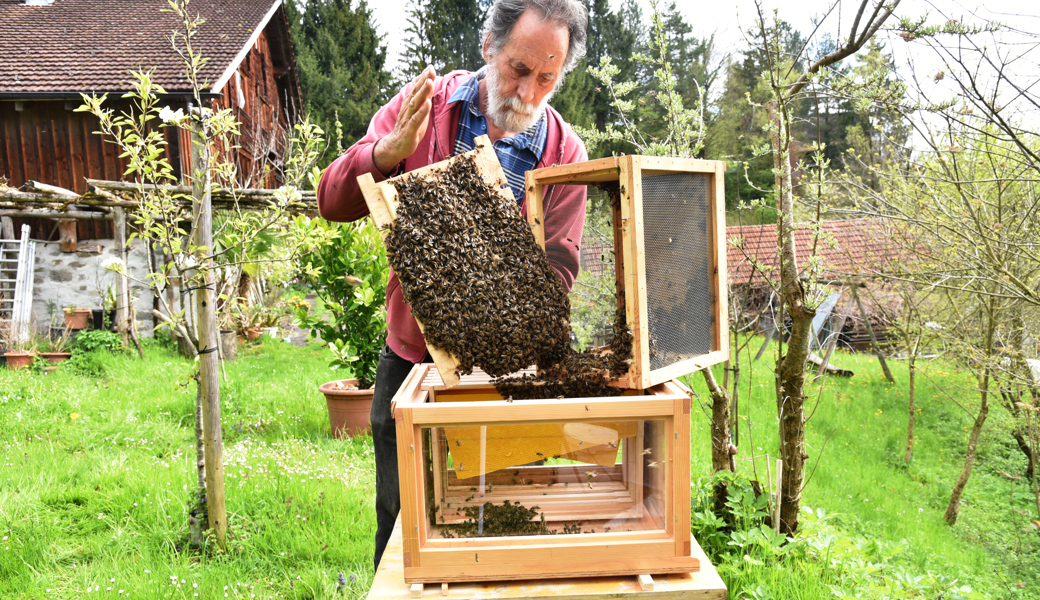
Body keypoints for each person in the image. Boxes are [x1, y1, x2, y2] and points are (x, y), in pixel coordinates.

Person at [317, 0, 590, 570]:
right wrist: (385, 153)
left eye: (548, 78)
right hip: (411, 357)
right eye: (519, 69)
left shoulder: (565, 153)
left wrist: (512, 305)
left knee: (490, 525)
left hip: (502, 369)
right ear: (488, 47)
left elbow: (561, 266)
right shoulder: (424, 107)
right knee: (400, 519)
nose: (529, 93)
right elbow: (331, 200)